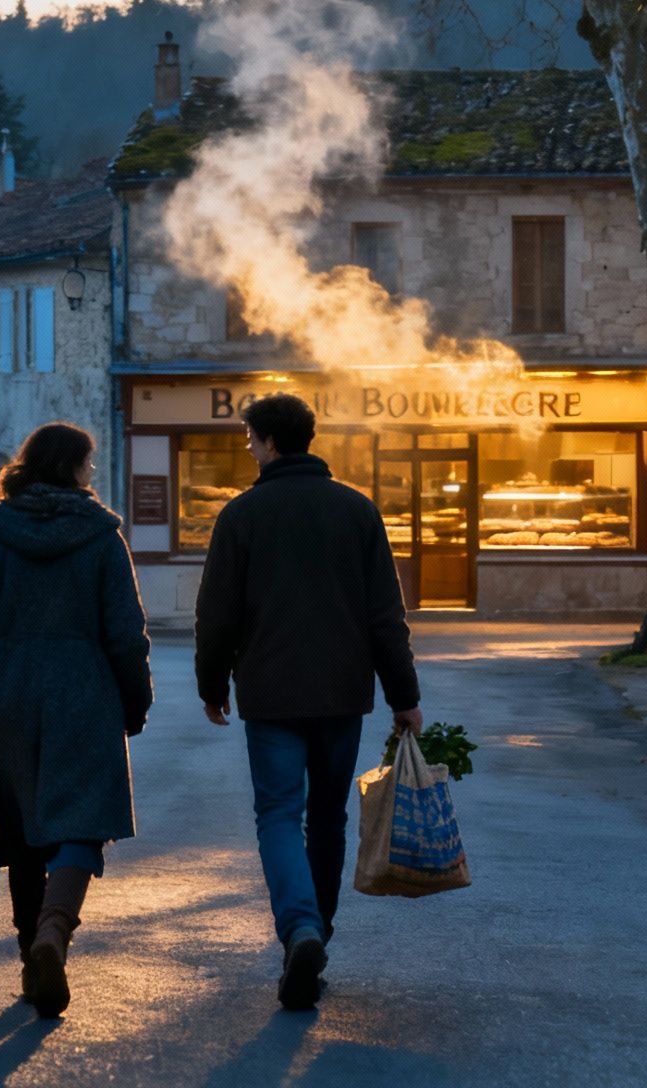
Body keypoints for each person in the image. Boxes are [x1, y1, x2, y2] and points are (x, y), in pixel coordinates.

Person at [195, 393, 423, 1011]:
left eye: (249, 440)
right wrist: (404, 696)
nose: (248, 449)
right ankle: (317, 935)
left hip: (270, 694)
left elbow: (216, 615)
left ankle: (299, 930)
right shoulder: (357, 510)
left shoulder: (241, 516)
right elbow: (385, 616)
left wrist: (212, 685)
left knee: (277, 815)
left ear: (268, 442)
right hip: (341, 694)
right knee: (328, 818)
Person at [0, 422, 153, 1019]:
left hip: (10, 696)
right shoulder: (102, 536)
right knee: (80, 825)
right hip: (86, 694)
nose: (92, 473)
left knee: (25, 834)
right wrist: (135, 703)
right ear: (74, 467)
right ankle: (55, 934)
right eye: (89, 463)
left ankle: (32, 952)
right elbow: (128, 636)